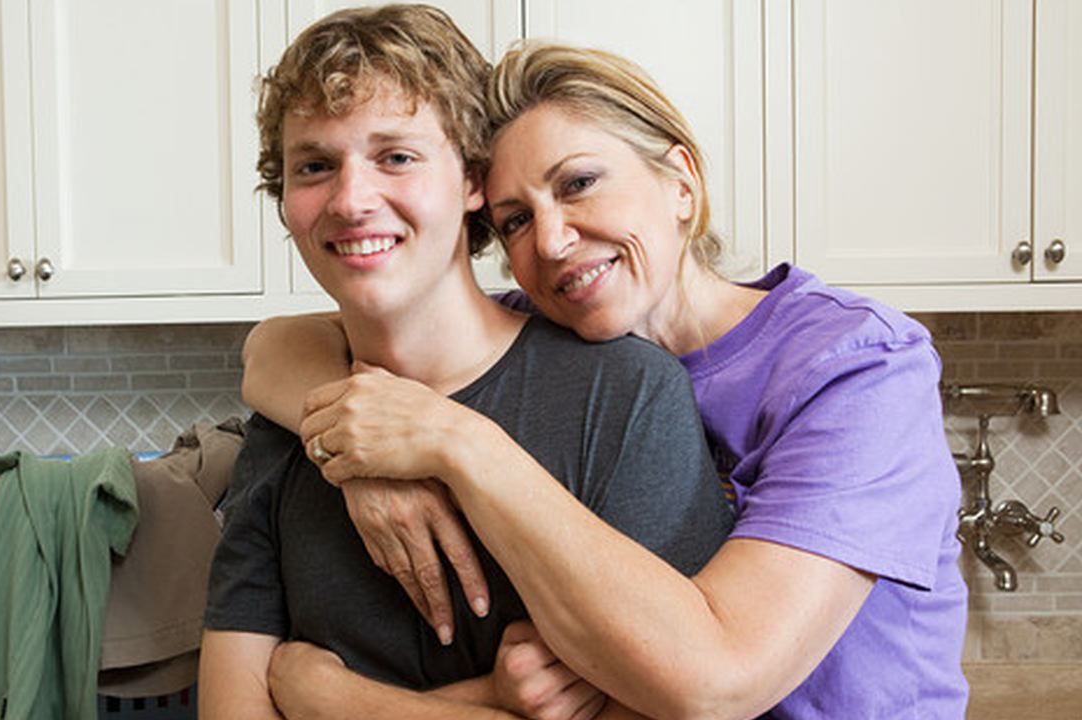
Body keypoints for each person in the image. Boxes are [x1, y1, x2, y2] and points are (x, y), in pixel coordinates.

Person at [243, 41, 969, 719]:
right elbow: (277, 346)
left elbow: (721, 680)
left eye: (580, 183)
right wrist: (353, 456)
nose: (553, 241)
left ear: (680, 181)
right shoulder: (548, 341)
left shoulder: (856, 367)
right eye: (517, 219)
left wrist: (455, 441)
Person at [198, 8, 734, 719]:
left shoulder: (625, 396)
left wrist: (327, 698)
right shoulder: (287, 429)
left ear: (472, 180)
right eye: (315, 166)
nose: (352, 200)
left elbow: (677, 699)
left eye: (397, 156)